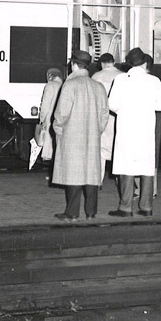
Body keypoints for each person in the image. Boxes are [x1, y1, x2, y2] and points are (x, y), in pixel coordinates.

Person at [107, 47, 161, 218]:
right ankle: (146, 207)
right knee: (146, 168)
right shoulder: (154, 81)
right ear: (144, 63)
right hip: (145, 130)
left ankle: (125, 207)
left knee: (126, 167)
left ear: (130, 64)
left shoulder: (120, 79)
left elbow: (112, 104)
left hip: (126, 129)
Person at [51, 49, 109, 222]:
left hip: (72, 136)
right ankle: (91, 212)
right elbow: (104, 115)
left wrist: (59, 131)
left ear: (73, 65)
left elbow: (61, 114)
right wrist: (96, 130)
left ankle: (72, 213)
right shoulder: (98, 87)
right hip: (92, 137)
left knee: (73, 175)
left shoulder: (70, 85)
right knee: (91, 174)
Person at [90, 52, 123, 182]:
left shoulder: (96, 76)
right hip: (119, 117)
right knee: (119, 149)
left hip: (101, 117)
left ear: (102, 64)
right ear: (113, 62)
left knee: (101, 151)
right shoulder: (123, 76)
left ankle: (98, 180)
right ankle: (121, 181)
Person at [35, 66, 64, 168]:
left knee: (49, 148)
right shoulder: (64, 85)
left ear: (51, 76)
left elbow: (45, 105)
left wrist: (41, 119)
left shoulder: (50, 86)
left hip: (50, 119)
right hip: (61, 120)